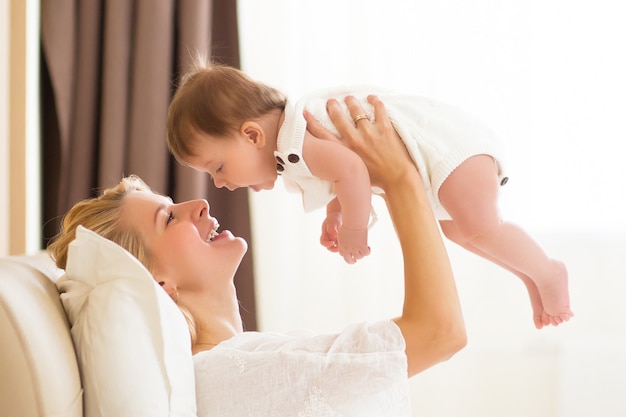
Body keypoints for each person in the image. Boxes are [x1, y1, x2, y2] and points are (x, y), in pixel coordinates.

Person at [47, 96, 467, 416]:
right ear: (158, 285)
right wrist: (399, 177)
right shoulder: (230, 374)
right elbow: (439, 332)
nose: (199, 206)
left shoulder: (240, 362)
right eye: (168, 218)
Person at [166, 62, 573, 329]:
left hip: (446, 149)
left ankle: (548, 272)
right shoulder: (297, 138)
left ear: (252, 135)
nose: (219, 184)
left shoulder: (298, 138)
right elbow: (344, 171)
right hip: (437, 161)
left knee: (480, 227)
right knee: (461, 232)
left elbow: (352, 170)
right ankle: (530, 274)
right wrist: (335, 212)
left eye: (217, 167)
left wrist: (357, 228)